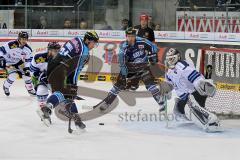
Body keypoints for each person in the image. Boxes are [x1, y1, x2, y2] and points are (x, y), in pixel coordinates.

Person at [94, 27, 167, 112]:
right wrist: (124, 75)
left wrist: (153, 56)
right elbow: (122, 63)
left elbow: (153, 47)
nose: (130, 38)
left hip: (143, 66)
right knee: (118, 85)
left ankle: (160, 101)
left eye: (132, 36)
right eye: (128, 36)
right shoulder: (124, 47)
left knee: (150, 83)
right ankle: (107, 103)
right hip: (130, 68)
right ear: (126, 36)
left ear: (135, 36)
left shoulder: (142, 41)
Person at [37, 31, 99, 130]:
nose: (94, 46)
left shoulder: (77, 39)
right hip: (62, 69)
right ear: (87, 40)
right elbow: (75, 71)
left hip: (53, 64)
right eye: (94, 43)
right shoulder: (84, 52)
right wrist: (73, 85)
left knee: (66, 94)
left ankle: (77, 120)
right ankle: (47, 108)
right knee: (65, 93)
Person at [164, 48, 221, 132]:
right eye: (169, 59)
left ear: (177, 57)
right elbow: (169, 85)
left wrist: (199, 82)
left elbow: (192, 74)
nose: (170, 61)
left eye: (172, 58)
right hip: (185, 98)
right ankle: (200, 112)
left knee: (190, 106)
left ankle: (210, 120)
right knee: (178, 110)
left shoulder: (181, 66)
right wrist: (166, 90)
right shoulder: (169, 72)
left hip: (195, 94)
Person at [0, 31, 35, 96]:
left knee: (27, 74)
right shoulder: (11, 44)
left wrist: (27, 68)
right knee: (13, 75)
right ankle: (6, 86)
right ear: (19, 38)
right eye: (22, 39)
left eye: (25, 39)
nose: (24, 41)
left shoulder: (28, 49)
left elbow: (28, 60)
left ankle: (30, 89)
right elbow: (1, 50)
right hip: (9, 63)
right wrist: (1, 57)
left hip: (19, 63)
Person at [128, 14, 156, 91]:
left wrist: (150, 52)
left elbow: (152, 43)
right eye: (142, 20)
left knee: (145, 68)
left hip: (145, 53)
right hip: (135, 52)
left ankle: (150, 84)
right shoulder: (135, 28)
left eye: (145, 21)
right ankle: (134, 84)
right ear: (140, 21)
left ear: (147, 21)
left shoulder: (150, 31)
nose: (143, 22)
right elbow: (130, 39)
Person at [30, 42, 61, 109]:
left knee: (61, 95)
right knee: (41, 91)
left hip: (54, 81)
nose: (57, 53)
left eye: (58, 51)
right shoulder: (38, 58)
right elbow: (32, 72)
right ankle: (43, 110)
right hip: (40, 79)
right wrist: (39, 78)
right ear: (49, 50)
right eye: (55, 51)